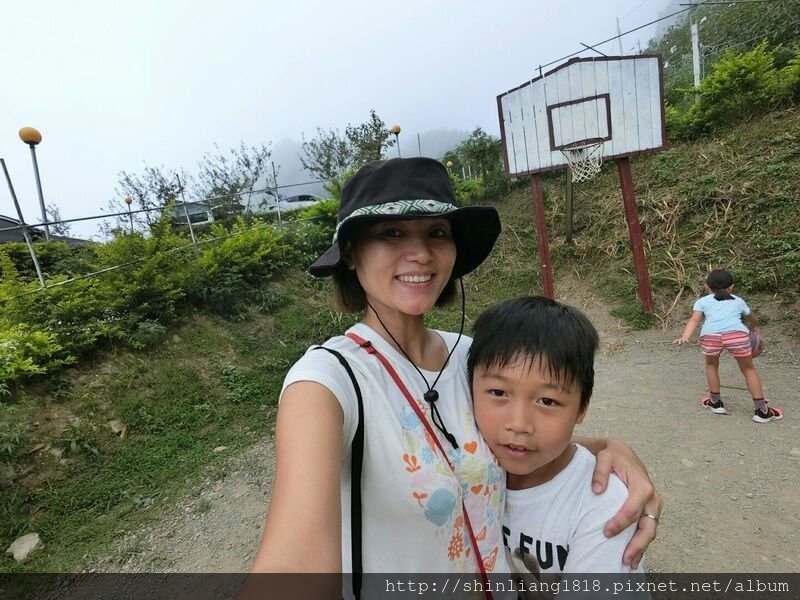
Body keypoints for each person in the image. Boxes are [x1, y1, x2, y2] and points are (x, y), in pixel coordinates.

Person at [249, 158, 662, 593]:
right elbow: (293, 563)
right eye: (392, 232)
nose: (421, 253)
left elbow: (506, 438)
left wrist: (607, 449)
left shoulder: (471, 358)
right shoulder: (327, 381)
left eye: (437, 233)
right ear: (351, 253)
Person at [469, 296, 648, 575]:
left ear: (582, 408)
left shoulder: (604, 504)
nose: (519, 424)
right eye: (498, 393)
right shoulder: (459, 467)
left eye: (547, 401)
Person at [673, 268, 783, 423]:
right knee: (748, 369)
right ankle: (762, 411)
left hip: (711, 335)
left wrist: (685, 337)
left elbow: (694, 320)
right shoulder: (737, 301)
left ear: (707, 286)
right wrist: (750, 329)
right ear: (731, 286)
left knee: (711, 365)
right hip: (737, 335)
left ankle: (715, 403)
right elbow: (753, 319)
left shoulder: (702, 301)